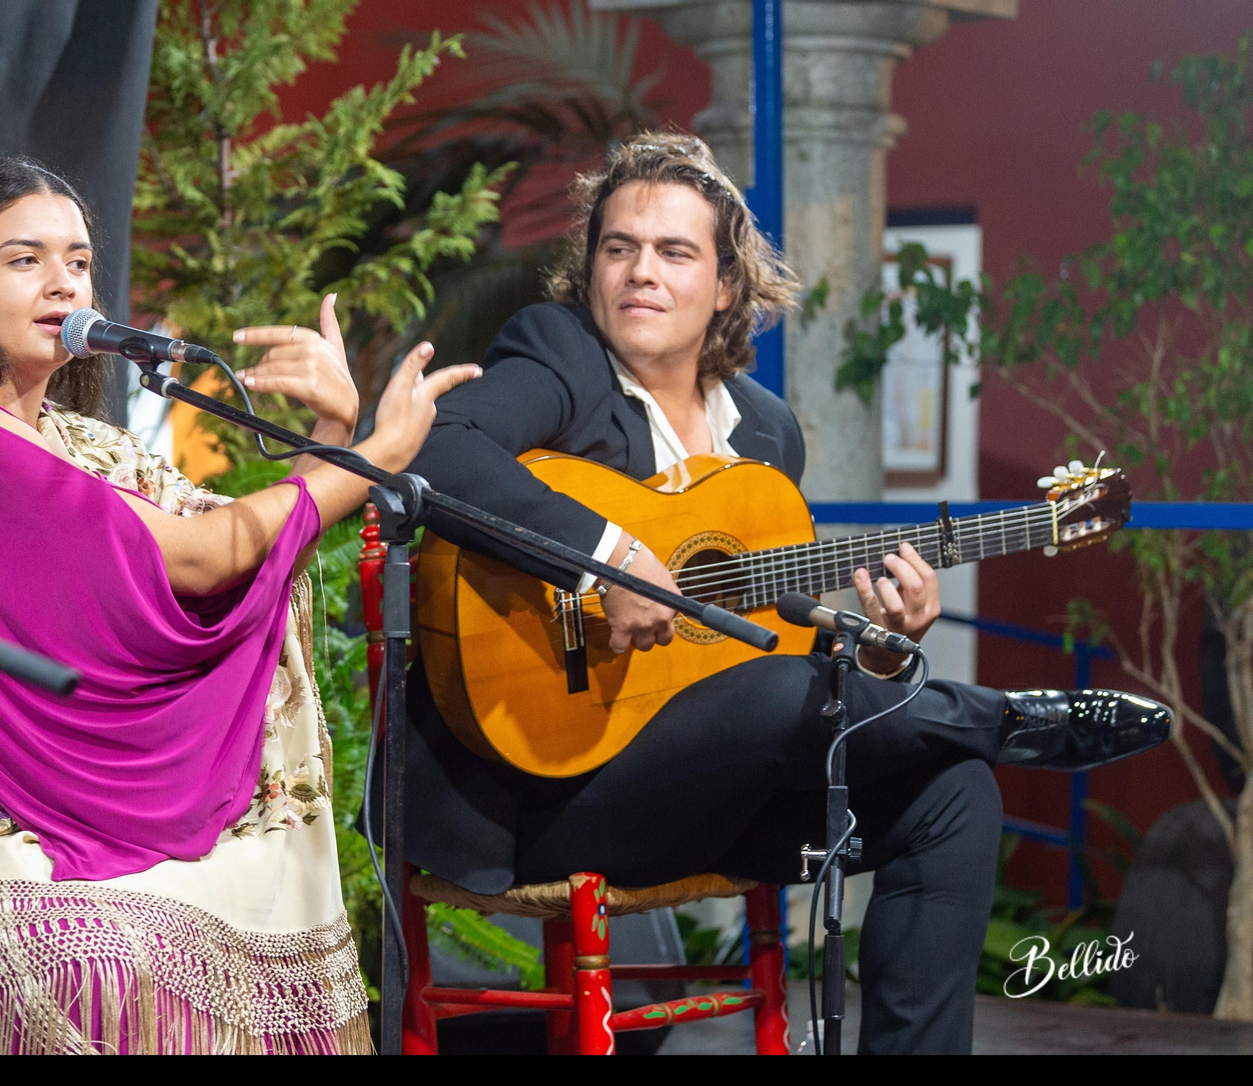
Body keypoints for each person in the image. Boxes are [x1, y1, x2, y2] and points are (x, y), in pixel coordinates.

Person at [388, 132, 1172, 1054]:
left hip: (717, 795)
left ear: (726, 284)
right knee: (781, 695)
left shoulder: (763, 433)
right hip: (557, 791)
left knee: (954, 794)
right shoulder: (560, 358)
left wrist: (881, 643)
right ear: (590, 265)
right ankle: (1005, 717)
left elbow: (766, 637)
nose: (641, 272)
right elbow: (435, 451)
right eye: (619, 247)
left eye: (675, 252)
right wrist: (607, 556)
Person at [0, 157, 477, 1054]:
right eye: (24, 259)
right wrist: (371, 454)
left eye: (77, 260)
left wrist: (335, 441)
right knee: (110, 951)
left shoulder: (77, 444)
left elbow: (231, 558)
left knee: (205, 917)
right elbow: (201, 559)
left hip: (8, 800)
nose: (63, 280)